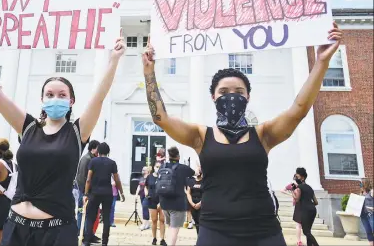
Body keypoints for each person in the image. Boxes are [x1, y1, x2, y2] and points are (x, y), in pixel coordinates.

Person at [141, 23, 343, 246]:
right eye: (223, 92)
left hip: (263, 230)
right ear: (213, 97)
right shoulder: (200, 135)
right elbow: (161, 118)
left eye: (239, 92)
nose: (231, 97)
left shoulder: (263, 134)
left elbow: (299, 110)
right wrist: (149, 72)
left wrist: (322, 62)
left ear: (248, 97)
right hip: (214, 230)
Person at [0, 31, 125, 246]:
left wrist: (114, 60)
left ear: (71, 101)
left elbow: (99, 96)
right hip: (16, 227)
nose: (56, 98)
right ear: (42, 99)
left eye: (62, 95)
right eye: (50, 94)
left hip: (58, 231)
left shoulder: (77, 132)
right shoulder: (27, 127)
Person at [83, 142, 125, 246]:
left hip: (94, 193)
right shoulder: (112, 163)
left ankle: (87, 240)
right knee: (106, 218)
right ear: (108, 152)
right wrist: (121, 192)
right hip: (107, 193)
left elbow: (88, 179)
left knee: (90, 217)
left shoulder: (93, 161)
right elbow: (117, 179)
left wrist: (86, 193)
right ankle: (104, 242)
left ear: (98, 151)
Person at [155, 147, 194, 246]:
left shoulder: (162, 167)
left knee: (170, 227)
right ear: (178, 156)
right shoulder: (183, 168)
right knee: (174, 229)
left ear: (168, 156)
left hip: (164, 203)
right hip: (178, 204)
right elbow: (194, 173)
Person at [76, 140, 101, 242]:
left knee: (85, 213)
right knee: (84, 213)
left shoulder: (88, 158)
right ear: (93, 149)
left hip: (85, 190)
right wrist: (86, 192)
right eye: (98, 149)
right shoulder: (88, 159)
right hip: (85, 191)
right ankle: (84, 235)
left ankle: (87, 234)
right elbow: (83, 177)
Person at [292, 168, 319, 246]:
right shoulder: (310, 188)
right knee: (308, 231)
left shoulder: (299, 187)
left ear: (302, 177)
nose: (296, 178)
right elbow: (316, 202)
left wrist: (292, 191)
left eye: (297, 176)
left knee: (306, 232)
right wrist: (309, 205)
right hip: (313, 210)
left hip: (305, 210)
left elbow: (297, 200)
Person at [145, 162, 167, 246]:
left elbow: (166, 190)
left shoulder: (164, 177)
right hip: (152, 201)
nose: (158, 168)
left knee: (162, 220)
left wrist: (161, 202)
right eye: (157, 166)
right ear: (154, 167)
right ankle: (154, 238)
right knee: (154, 220)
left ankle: (162, 239)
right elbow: (146, 186)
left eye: (160, 167)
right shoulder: (149, 177)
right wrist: (146, 193)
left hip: (162, 201)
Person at [283, 175, 303, 246]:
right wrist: (291, 194)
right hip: (297, 205)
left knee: (300, 224)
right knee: (298, 224)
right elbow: (282, 190)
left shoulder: (301, 185)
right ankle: (299, 241)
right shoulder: (292, 185)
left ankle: (299, 240)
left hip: (302, 205)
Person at [186, 166, 202, 235]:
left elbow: (207, 193)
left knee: (202, 223)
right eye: (197, 170)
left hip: (202, 205)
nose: (198, 171)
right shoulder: (191, 181)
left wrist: (200, 203)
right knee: (197, 224)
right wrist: (192, 203)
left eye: (199, 170)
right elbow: (188, 193)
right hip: (193, 205)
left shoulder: (205, 181)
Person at [360, 178, 374, 246]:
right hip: (363, 215)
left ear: (365, 183)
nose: (360, 185)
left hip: (371, 214)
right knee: (368, 231)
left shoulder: (372, 191)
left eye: (361, 183)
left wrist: (371, 207)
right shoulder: (361, 192)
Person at [137, 166, 151, 231]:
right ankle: (147, 224)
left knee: (145, 207)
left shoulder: (150, 178)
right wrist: (136, 195)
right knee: (144, 208)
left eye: (144, 170)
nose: (143, 171)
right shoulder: (141, 178)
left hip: (147, 195)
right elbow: (139, 186)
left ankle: (144, 223)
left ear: (148, 171)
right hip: (141, 194)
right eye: (142, 170)